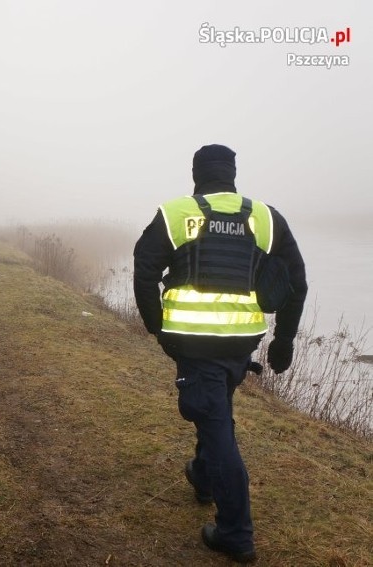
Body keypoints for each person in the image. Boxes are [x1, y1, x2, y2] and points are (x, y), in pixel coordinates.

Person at [132, 144, 308, 563]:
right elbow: (297, 282)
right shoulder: (265, 218)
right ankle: (203, 477)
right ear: (231, 174)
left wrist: (156, 325)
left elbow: (143, 268)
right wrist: (284, 340)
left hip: (192, 341)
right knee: (214, 409)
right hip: (242, 341)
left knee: (216, 425)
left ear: (196, 175)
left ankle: (236, 532)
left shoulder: (176, 213)